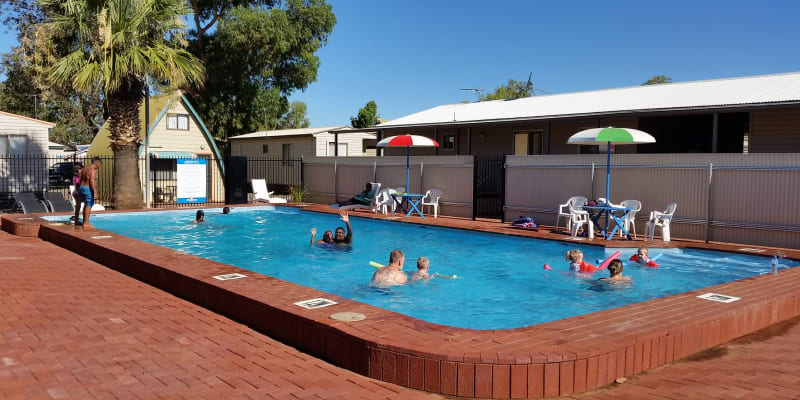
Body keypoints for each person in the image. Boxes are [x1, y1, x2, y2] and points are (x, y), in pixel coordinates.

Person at [77, 157, 101, 228]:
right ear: (97, 163)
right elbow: (92, 181)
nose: (99, 166)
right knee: (88, 205)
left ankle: (84, 221)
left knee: (86, 204)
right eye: (100, 164)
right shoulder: (93, 170)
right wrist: (95, 192)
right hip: (88, 189)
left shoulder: (84, 169)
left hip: (82, 187)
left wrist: (80, 189)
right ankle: (86, 223)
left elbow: (79, 179)